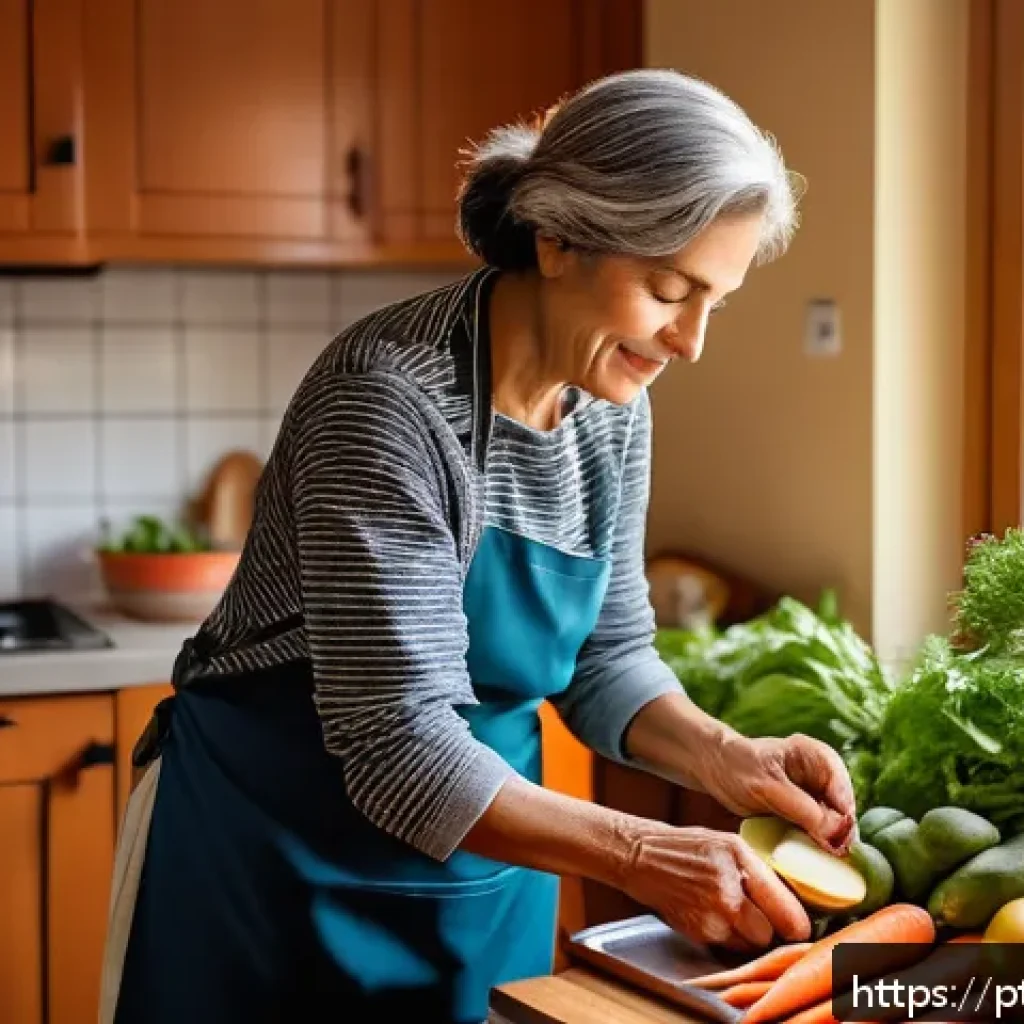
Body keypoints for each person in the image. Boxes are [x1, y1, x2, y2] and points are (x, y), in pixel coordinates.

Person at [102, 68, 856, 1024]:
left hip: (485, 872)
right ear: (558, 239)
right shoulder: (388, 403)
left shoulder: (612, 407)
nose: (691, 341)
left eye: (717, 299)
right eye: (670, 289)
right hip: (273, 870)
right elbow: (396, 745)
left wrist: (725, 757)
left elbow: (607, 656)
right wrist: (639, 853)